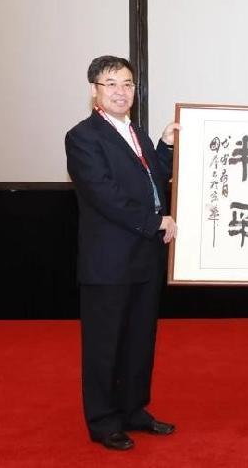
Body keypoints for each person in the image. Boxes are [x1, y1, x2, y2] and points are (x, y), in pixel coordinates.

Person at [65, 56, 180, 450]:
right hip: (109, 262)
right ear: (94, 90)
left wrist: (165, 145)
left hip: (144, 257)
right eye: (110, 83)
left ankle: (133, 410)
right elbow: (105, 196)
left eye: (127, 84)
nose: (121, 91)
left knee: (139, 340)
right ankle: (103, 421)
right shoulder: (83, 137)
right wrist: (155, 222)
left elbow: (152, 180)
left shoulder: (136, 132)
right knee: (105, 345)